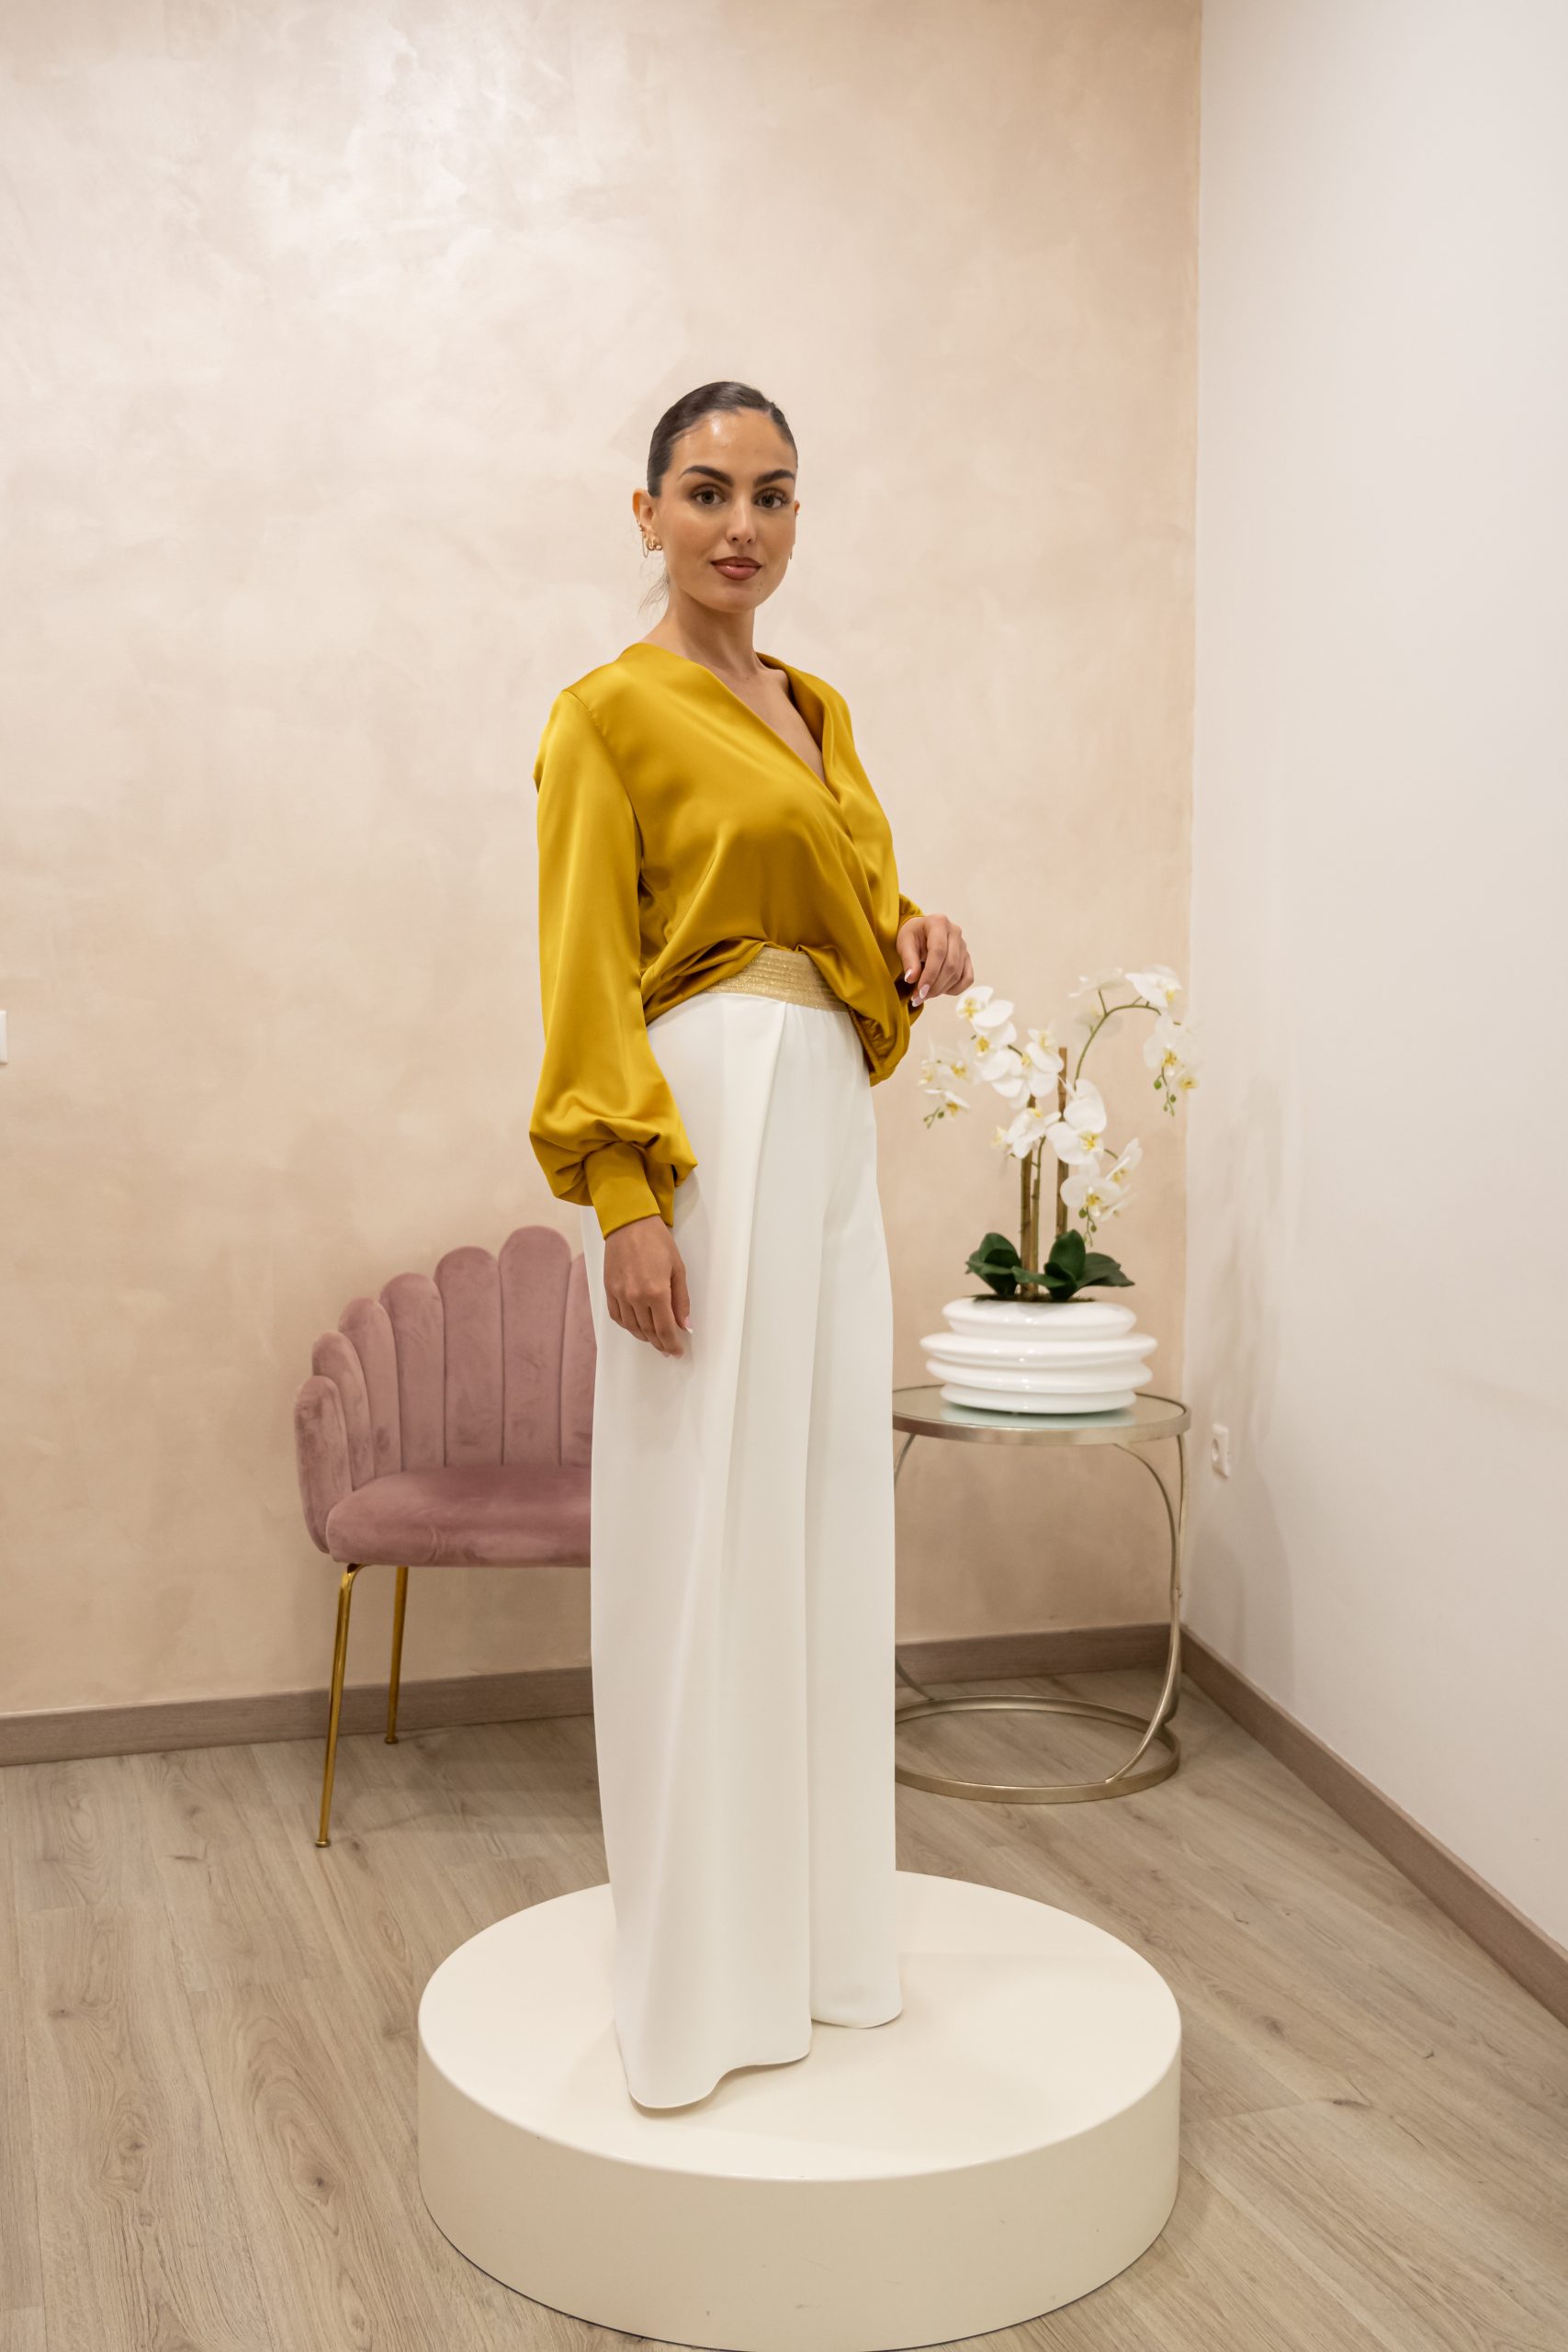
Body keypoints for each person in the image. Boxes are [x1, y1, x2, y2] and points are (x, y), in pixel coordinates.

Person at [529, 379, 972, 2109]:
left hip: (828, 1119)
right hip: (703, 1114)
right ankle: (695, 1984)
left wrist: (912, 930)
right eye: (707, 491)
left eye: (773, 495)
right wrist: (627, 1199)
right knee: (699, 1528)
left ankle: (813, 1949)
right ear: (645, 513)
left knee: (817, 1510)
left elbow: (837, 914)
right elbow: (583, 969)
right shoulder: (605, 715)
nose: (742, 525)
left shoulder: (818, 708)